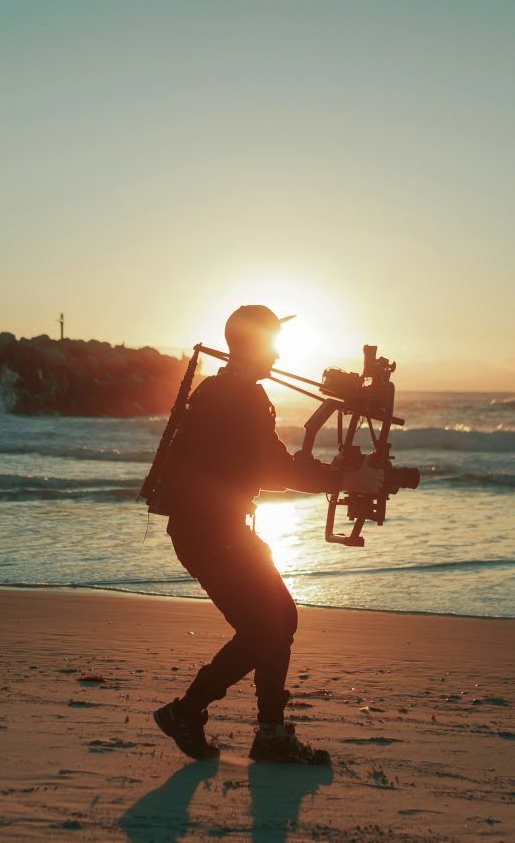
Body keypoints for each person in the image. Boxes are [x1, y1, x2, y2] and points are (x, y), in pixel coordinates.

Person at [153, 305, 383, 763]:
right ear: (253, 345)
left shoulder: (228, 391)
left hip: (212, 530)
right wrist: (344, 481)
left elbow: (265, 465)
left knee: (276, 620)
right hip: (210, 532)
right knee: (270, 625)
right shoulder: (238, 396)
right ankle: (249, 729)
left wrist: (336, 477)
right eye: (272, 343)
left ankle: (217, 719)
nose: (277, 354)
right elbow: (273, 467)